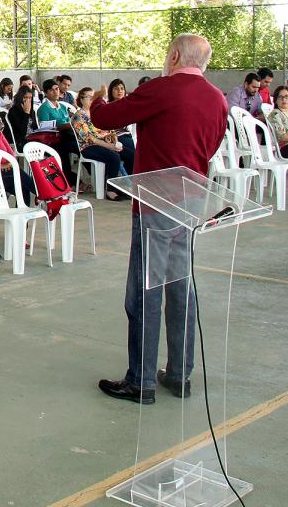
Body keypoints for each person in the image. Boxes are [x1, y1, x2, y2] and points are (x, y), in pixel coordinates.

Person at [90, 33, 227, 404]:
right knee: (180, 284)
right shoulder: (217, 98)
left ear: (175, 55)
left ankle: (141, 380)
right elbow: (212, 145)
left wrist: (97, 98)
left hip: (154, 201)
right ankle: (180, 374)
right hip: (192, 200)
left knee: (144, 292)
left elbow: (105, 118)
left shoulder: (165, 88)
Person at [71, 87, 132, 200]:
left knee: (130, 154)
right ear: (81, 99)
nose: (92, 100)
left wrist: (115, 141)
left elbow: (110, 129)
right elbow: (90, 139)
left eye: (94, 97)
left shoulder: (96, 113)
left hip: (106, 142)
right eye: (89, 97)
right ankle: (110, 190)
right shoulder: (78, 116)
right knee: (114, 157)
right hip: (89, 147)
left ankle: (129, 185)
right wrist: (110, 146)